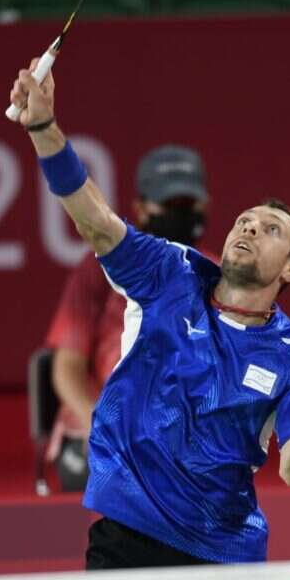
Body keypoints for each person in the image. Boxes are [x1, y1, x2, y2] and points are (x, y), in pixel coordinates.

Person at [10, 59, 290, 580]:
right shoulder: (170, 273)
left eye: (271, 229)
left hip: (225, 556)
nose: (250, 228)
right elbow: (96, 220)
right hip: (130, 541)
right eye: (245, 221)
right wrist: (43, 128)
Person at [44, 144, 214, 492]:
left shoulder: (217, 275)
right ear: (140, 209)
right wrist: (101, 427)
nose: (179, 214)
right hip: (97, 429)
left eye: (186, 205)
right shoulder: (97, 268)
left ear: (204, 206)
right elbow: (67, 367)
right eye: (169, 205)